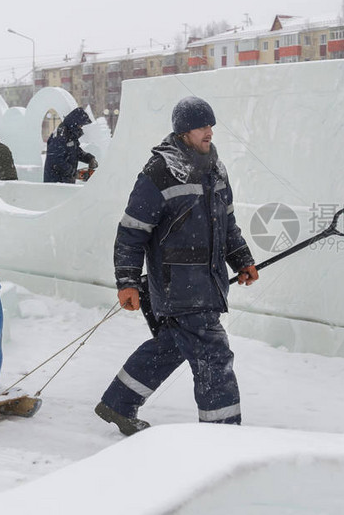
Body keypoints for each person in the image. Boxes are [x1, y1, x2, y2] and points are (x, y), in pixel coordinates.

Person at [95, 96, 259, 435]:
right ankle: (222, 434)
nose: (209, 132)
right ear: (184, 131)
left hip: (207, 281)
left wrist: (241, 259)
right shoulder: (160, 172)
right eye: (202, 126)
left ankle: (118, 402)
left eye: (211, 125)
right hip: (176, 284)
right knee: (214, 356)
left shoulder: (215, 169)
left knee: (171, 346)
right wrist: (126, 280)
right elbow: (132, 230)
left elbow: (227, 223)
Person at [43, 107, 97, 183]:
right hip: (56, 182)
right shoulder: (60, 135)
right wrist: (75, 173)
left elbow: (75, 151)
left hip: (66, 181)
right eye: (80, 125)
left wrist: (89, 158)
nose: (81, 127)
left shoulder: (70, 134)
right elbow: (56, 160)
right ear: (75, 122)